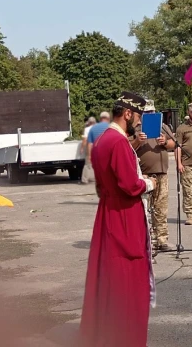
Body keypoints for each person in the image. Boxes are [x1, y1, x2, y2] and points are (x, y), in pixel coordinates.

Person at [79, 92, 157, 347]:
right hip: (124, 215)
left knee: (111, 276)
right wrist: (149, 182)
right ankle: (126, 336)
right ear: (127, 113)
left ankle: (108, 332)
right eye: (138, 116)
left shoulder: (103, 139)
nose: (139, 121)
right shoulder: (118, 142)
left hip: (109, 211)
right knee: (127, 276)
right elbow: (128, 184)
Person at [130, 100, 175, 254]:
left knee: (161, 209)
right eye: (146, 113)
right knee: (146, 210)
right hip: (144, 175)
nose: (149, 115)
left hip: (162, 174)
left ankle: (162, 240)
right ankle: (147, 242)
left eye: (151, 112)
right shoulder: (134, 129)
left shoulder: (163, 127)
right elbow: (127, 148)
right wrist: (137, 141)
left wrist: (165, 142)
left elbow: (173, 144)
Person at [80, 117, 96, 184]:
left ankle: (85, 179)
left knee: (87, 164)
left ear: (89, 122)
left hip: (90, 147)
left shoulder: (87, 129)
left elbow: (85, 140)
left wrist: (82, 148)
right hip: (98, 147)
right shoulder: (97, 128)